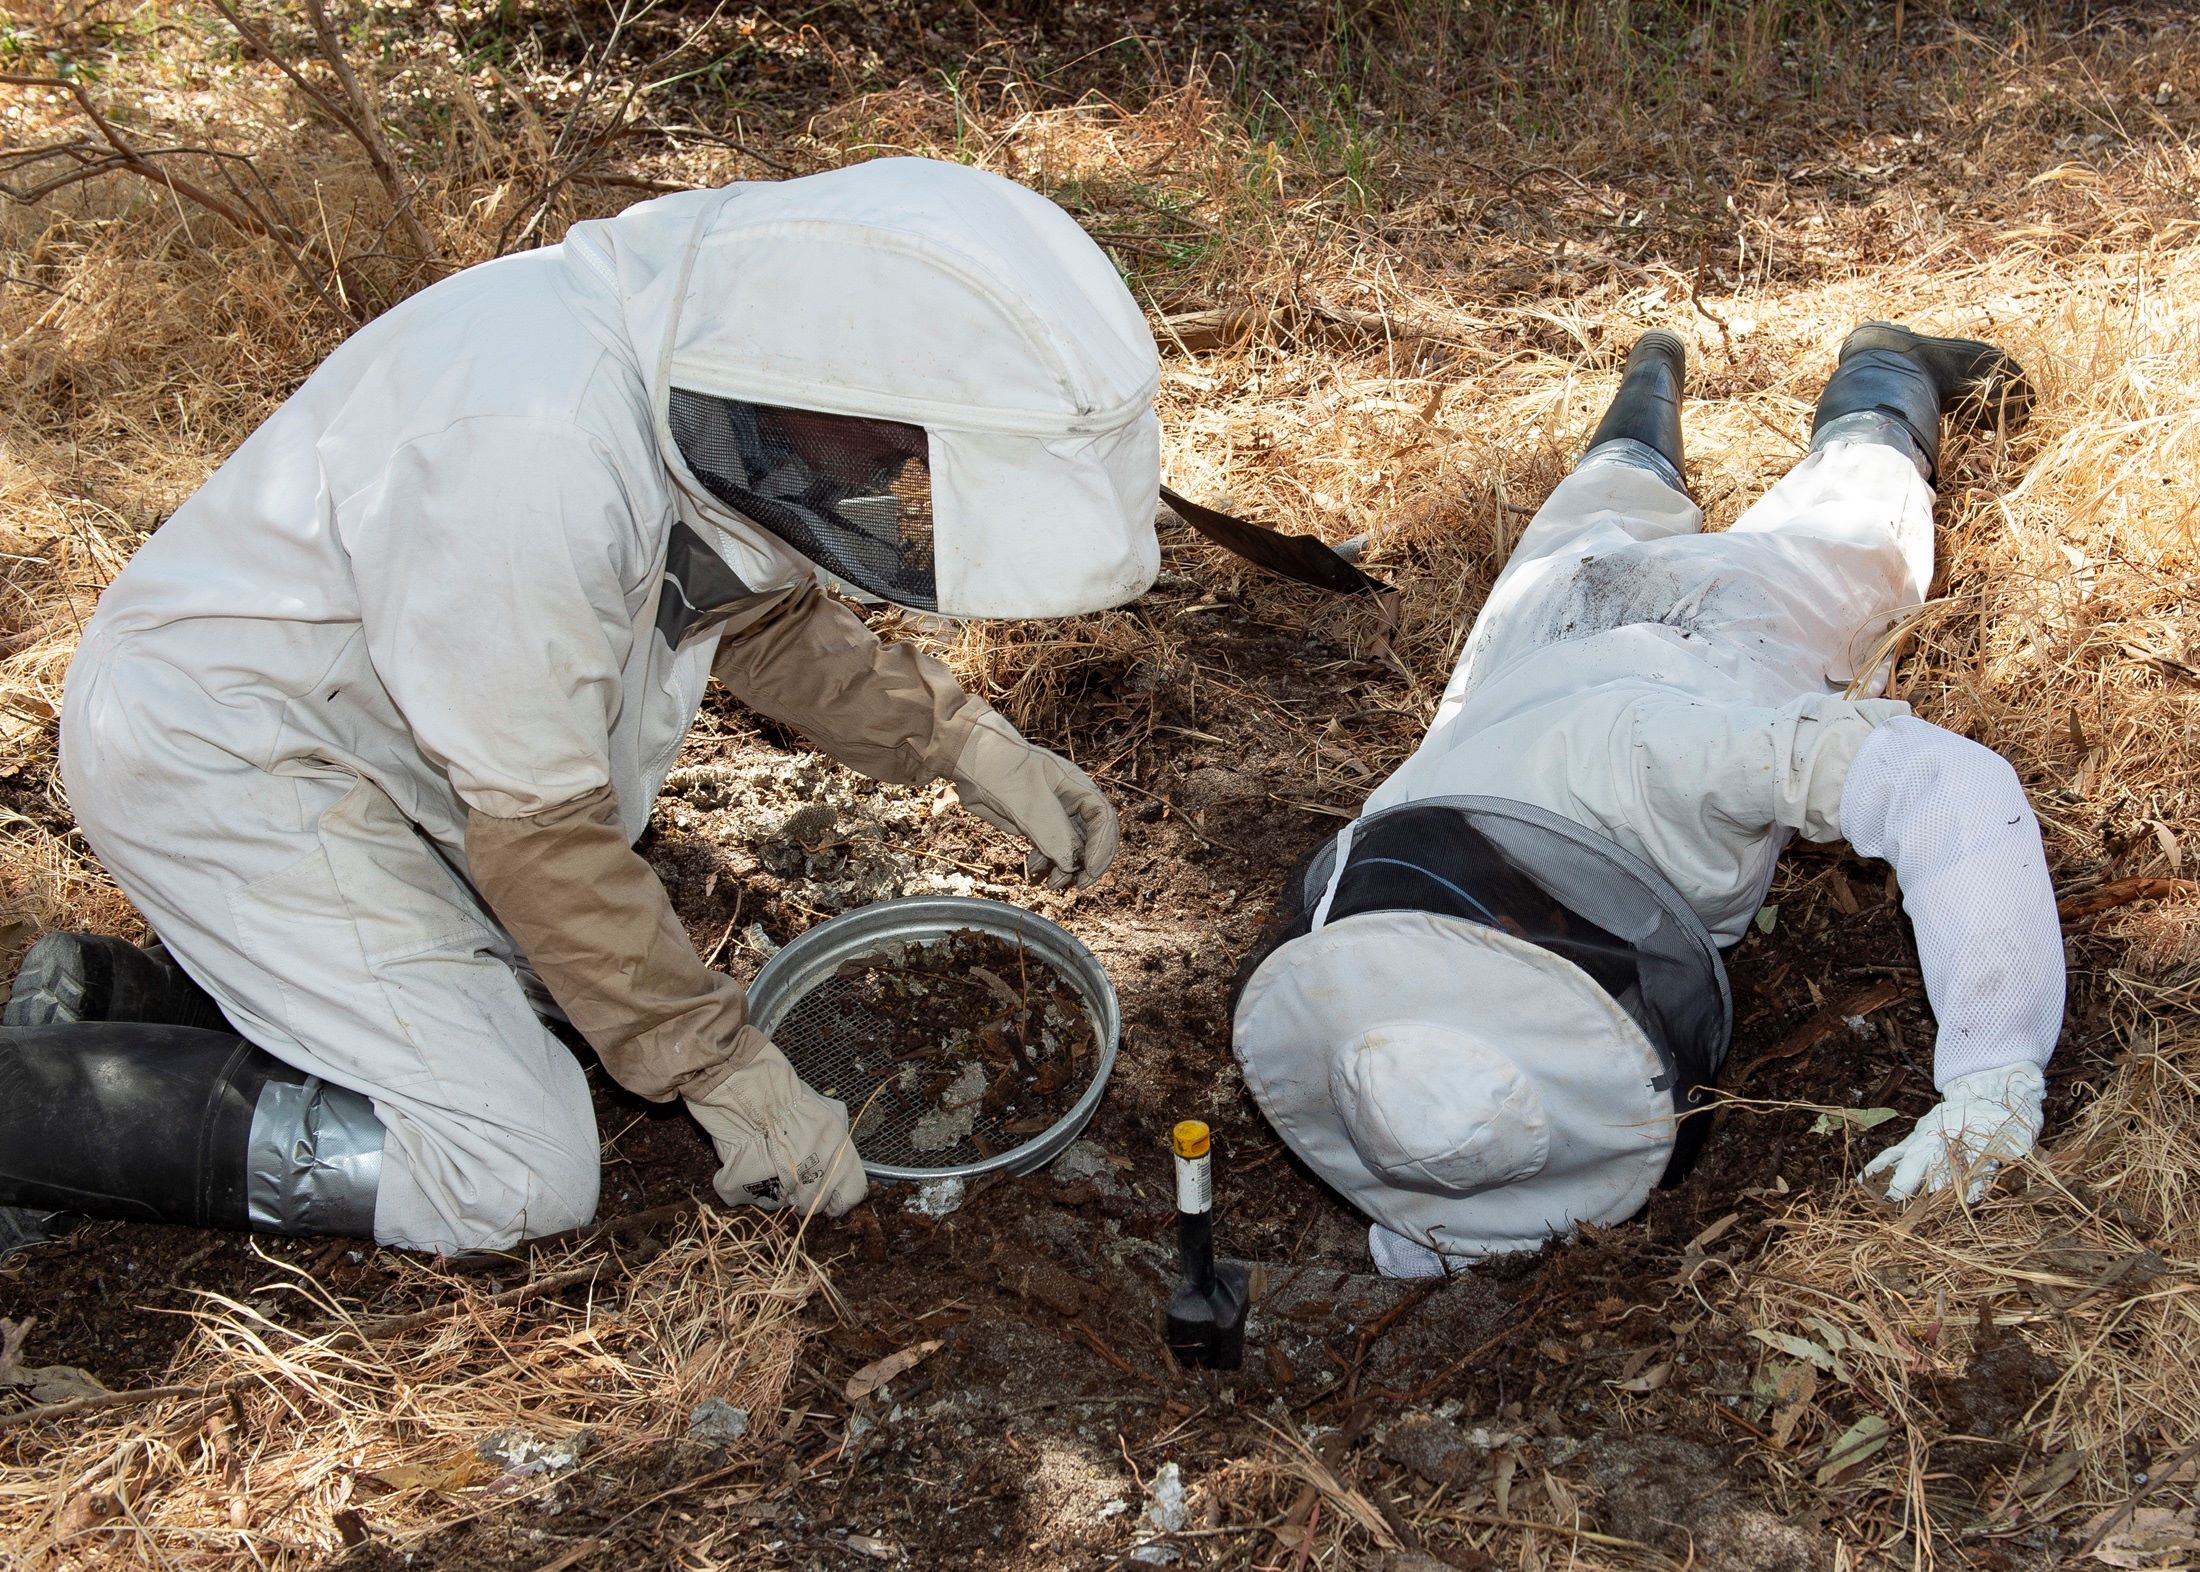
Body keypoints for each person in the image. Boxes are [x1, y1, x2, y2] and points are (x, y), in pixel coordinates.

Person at [0, 156, 1163, 1257]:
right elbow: (545, 840)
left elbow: (754, 612)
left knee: (553, 998)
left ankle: (128, 1004)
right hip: (233, 752)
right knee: (512, 1164)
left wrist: (960, 741)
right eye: (892, 439)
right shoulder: (531, 454)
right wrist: (719, 1069)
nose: (890, 475)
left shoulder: (698, 361)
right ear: (810, 374)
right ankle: (28, 1113)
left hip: (398, 747)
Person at [1231, 325, 2064, 1277]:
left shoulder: (1668, 764)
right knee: (1607, 488)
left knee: (1862, 502)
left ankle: (1888, 362)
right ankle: (1650, 370)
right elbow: (1439, 1124)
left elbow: (1945, 784)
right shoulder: (1397, 836)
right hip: (1535, 628)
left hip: (1719, 622)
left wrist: (1995, 1065)